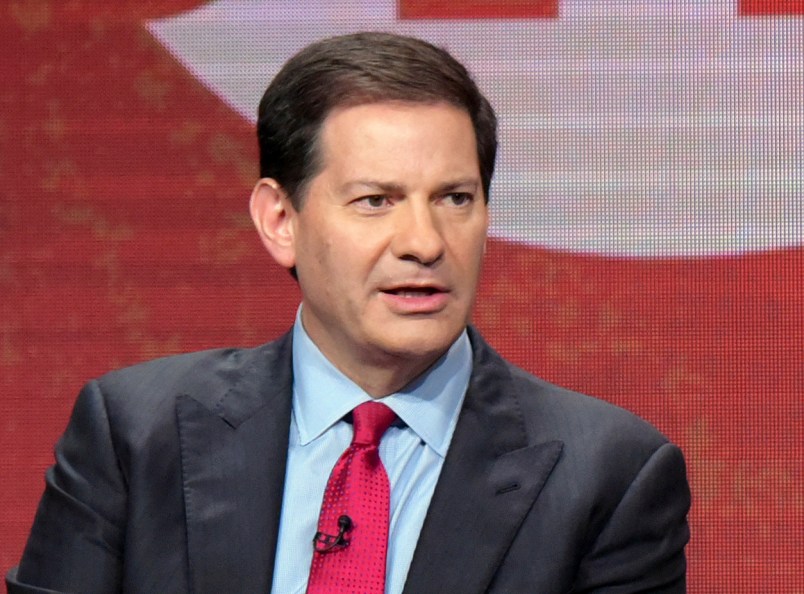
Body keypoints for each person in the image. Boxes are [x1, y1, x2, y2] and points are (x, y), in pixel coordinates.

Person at [6, 32, 690, 593]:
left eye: (455, 198)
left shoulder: (609, 475)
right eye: (376, 201)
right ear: (281, 220)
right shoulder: (134, 435)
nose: (425, 243)